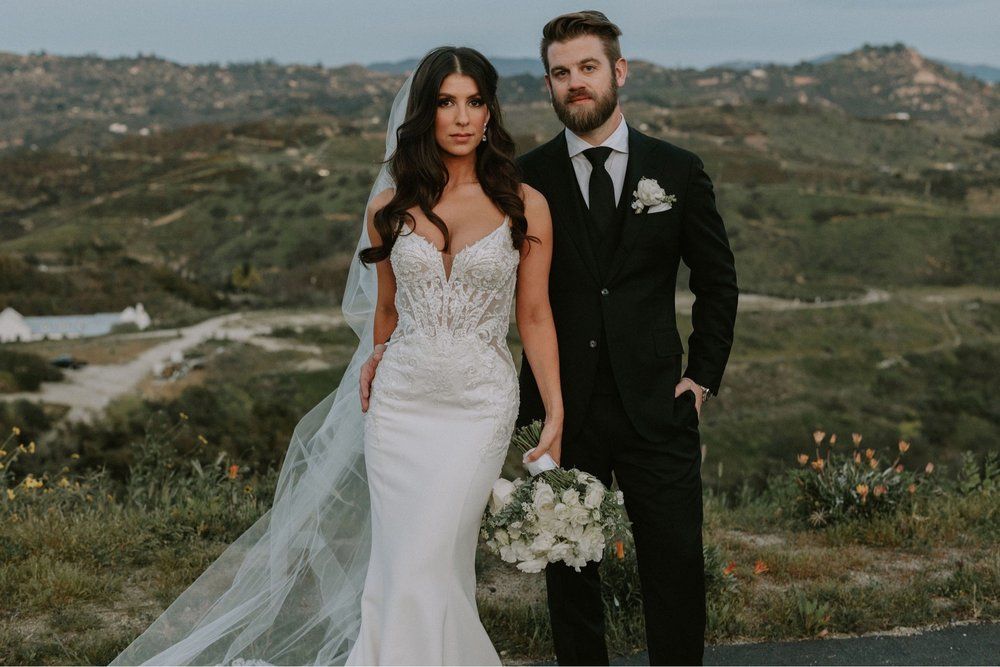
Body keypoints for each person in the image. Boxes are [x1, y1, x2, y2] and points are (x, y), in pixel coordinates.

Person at [110, 46, 562, 666]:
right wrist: (378, 354)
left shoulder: (525, 204)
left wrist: (554, 411)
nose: (461, 118)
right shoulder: (388, 209)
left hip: (478, 407)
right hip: (400, 407)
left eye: (474, 102)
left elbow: (534, 316)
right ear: (423, 113)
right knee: (407, 562)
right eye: (445, 103)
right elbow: (387, 309)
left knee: (430, 557)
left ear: (491, 112)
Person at [515, 11, 739, 666]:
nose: (575, 83)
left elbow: (718, 283)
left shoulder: (677, 169)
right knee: (568, 580)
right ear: (550, 85)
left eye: (587, 67)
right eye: (561, 73)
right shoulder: (525, 179)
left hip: (658, 406)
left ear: (618, 71)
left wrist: (701, 377)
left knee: (674, 572)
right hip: (559, 411)